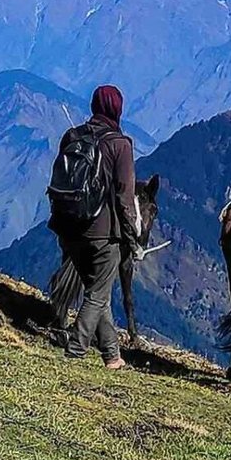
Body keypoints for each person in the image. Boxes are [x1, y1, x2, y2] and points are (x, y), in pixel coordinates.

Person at [49, 84, 137, 369]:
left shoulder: (72, 136)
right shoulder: (120, 144)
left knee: (98, 293)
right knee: (97, 294)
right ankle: (75, 350)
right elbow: (125, 196)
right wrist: (131, 234)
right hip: (102, 233)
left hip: (68, 227)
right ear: (117, 108)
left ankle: (112, 357)